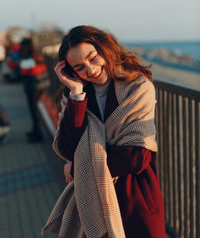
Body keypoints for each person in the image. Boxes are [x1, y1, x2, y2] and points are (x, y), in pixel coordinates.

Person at [42, 26, 166, 238]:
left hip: (134, 197)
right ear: (71, 71)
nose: (90, 70)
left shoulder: (138, 87)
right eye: (79, 67)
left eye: (93, 58)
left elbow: (137, 157)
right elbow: (65, 147)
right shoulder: (75, 96)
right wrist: (76, 94)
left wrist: (78, 165)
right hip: (93, 201)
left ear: (105, 49)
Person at [19, 38, 50, 142]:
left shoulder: (29, 56)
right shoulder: (37, 54)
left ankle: (38, 134)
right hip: (39, 85)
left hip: (34, 86)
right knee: (34, 109)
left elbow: (24, 70)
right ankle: (36, 130)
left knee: (35, 110)